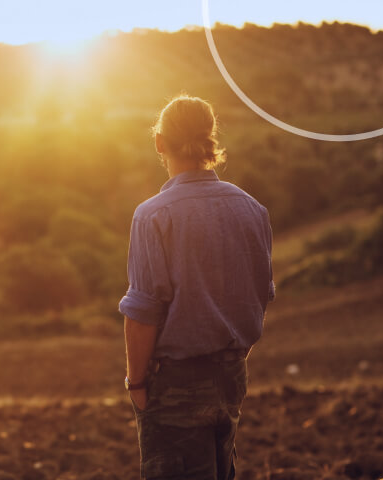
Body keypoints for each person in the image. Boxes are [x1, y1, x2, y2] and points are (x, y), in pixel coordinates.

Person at [119, 95, 275, 480]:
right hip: (231, 376)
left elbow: (142, 315)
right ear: (210, 141)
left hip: (175, 384)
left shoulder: (152, 215)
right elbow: (259, 296)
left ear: (160, 143)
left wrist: (137, 385)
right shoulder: (252, 209)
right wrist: (230, 357)